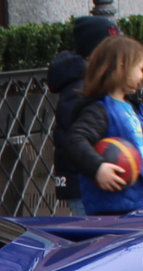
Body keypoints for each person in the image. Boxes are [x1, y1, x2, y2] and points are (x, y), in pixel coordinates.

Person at [53, 33, 143, 214]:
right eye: (141, 68)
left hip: (140, 205)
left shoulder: (133, 108)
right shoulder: (99, 109)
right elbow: (75, 140)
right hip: (113, 209)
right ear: (122, 67)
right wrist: (98, 168)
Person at [48, 14, 121, 204]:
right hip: (82, 181)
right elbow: (76, 138)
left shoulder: (89, 84)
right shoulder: (80, 88)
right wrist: (97, 167)